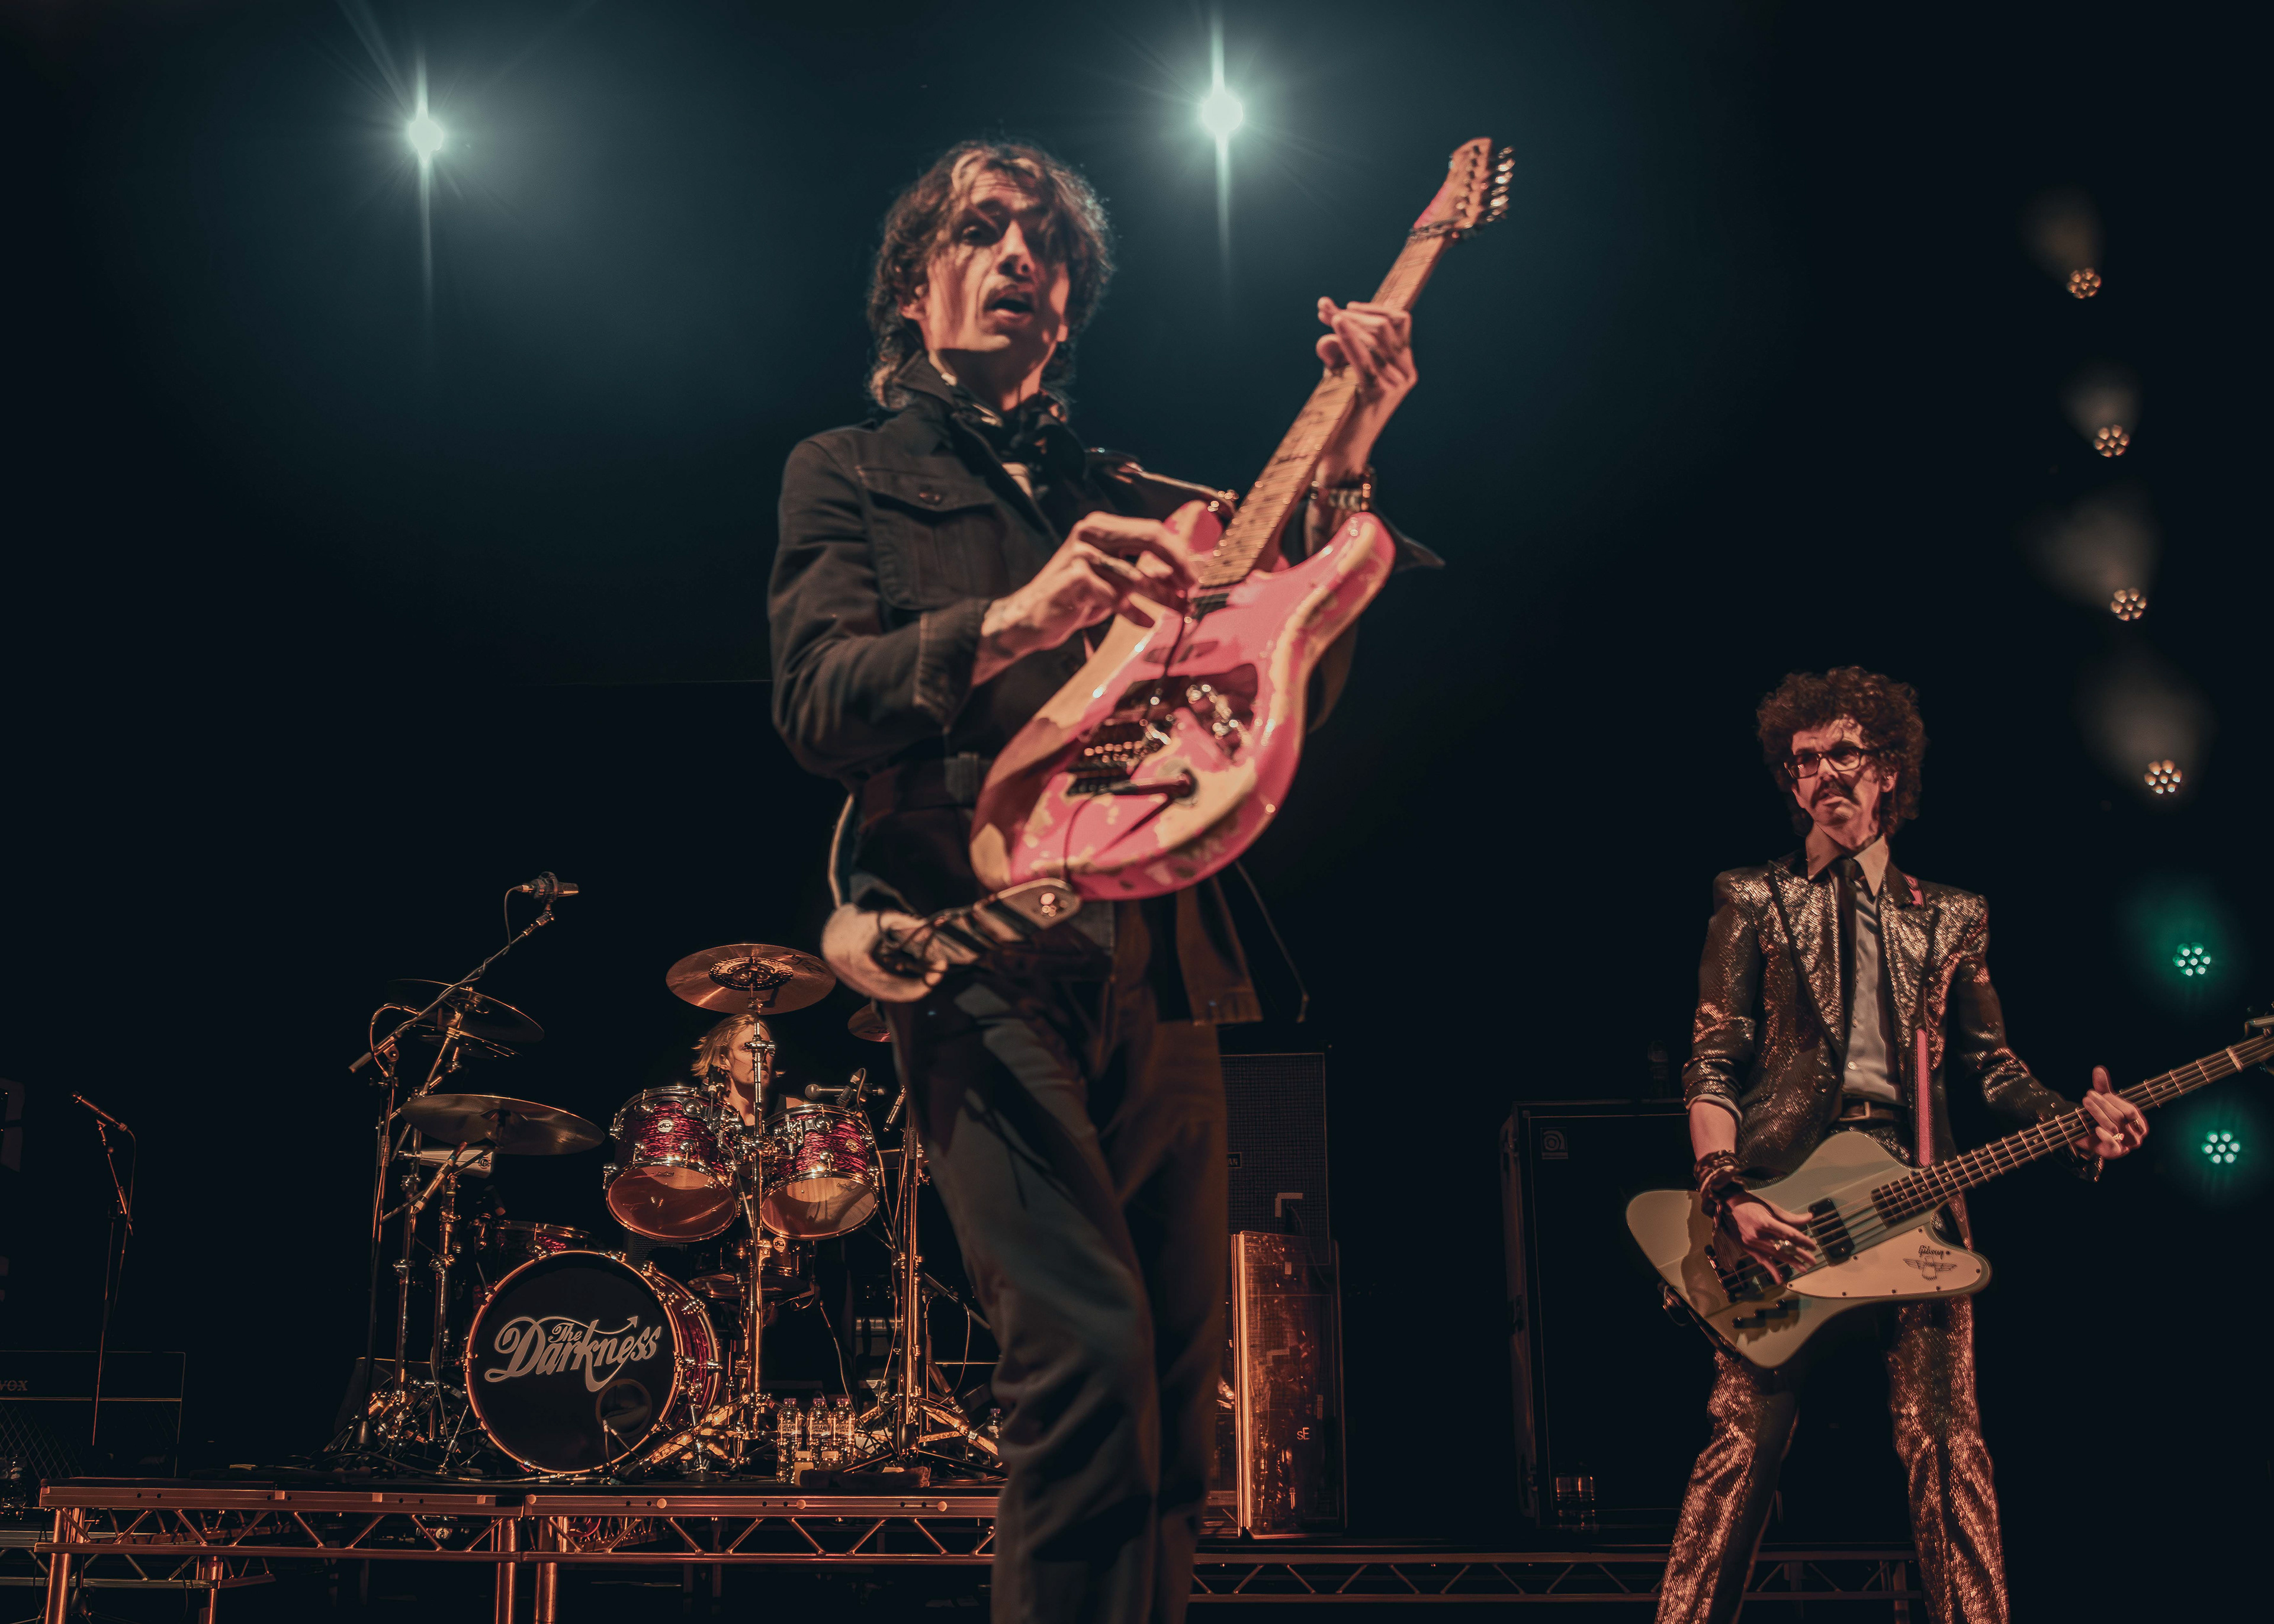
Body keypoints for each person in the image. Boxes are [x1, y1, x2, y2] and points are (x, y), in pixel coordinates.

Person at [767, 140, 1429, 1623]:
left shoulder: (1135, 490)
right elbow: (815, 705)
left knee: (1179, 1399)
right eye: (983, 231)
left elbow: (1284, 685)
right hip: (975, 949)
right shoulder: (847, 472)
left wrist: (1346, 463)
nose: (1023, 257)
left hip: (1163, 950)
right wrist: (1019, 616)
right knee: (1084, 1351)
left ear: (1071, 305)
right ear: (914, 283)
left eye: (1051, 244)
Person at [1658, 667, 2148, 1624]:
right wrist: (1726, 1190)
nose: (1823, 773)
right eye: (1803, 761)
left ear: (1888, 768)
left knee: (1948, 1441)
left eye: (1843, 752)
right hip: (1785, 1199)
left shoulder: (1954, 914)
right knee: (1743, 1441)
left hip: (1919, 1194)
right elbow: (1713, 1059)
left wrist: (2077, 1120)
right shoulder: (1751, 896)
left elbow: (1993, 1069)